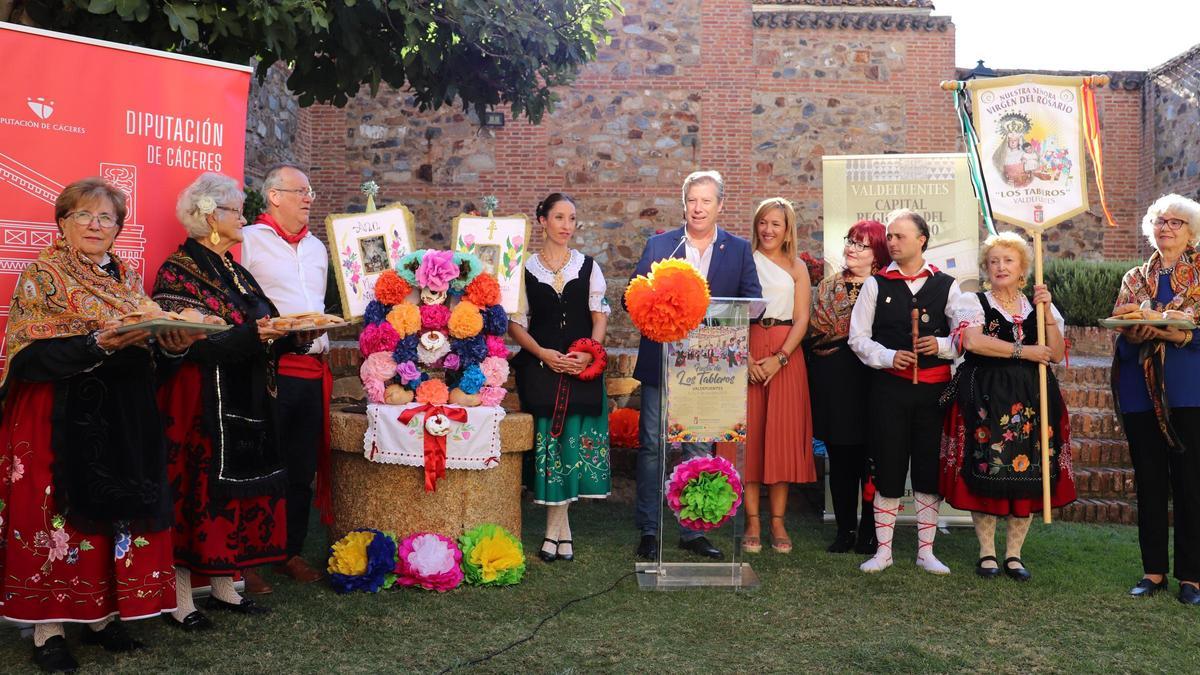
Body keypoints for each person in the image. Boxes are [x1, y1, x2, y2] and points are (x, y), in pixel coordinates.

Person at [0, 178, 203, 672]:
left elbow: (149, 353)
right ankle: (48, 629)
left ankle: (99, 616)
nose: (95, 225)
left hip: (124, 415)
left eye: (106, 218)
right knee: (58, 520)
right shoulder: (42, 275)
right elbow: (28, 358)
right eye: (83, 216)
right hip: (61, 415)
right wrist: (95, 346)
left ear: (118, 228)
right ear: (63, 223)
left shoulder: (128, 280)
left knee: (114, 516)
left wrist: (172, 347)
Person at [153, 172, 308, 627]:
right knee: (195, 495)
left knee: (233, 499)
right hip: (199, 403)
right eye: (234, 211)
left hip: (247, 397)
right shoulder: (176, 270)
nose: (242, 217)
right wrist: (253, 334)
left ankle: (225, 588)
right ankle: (180, 600)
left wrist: (294, 338)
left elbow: (265, 328)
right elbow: (189, 342)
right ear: (207, 216)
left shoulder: (237, 272)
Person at [630, 170, 761, 561]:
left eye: (707, 201)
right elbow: (633, 298)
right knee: (653, 446)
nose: (698, 208)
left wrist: (716, 315)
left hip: (709, 370)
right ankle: (650, 530)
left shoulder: (737, 250)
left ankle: (693, 530)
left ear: (721, 205)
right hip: (662, 362)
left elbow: (752, 303)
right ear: (683, 203)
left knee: (699, 448)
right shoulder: (660, 246)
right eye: (692, 200)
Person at [939, 232, 1076, 581]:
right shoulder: (974, 301)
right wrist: (1023, 352)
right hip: (986, 395)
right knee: (987, 468)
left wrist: (1045, 312)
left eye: (1008, 261)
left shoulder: (1038, 306)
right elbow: (973, 340)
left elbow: (1057, 353)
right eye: (994, 261)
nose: (1000, 267)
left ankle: (1014, 555)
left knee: (1027, 474)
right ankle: (987, 552)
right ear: (986, 267)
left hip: (1032, 398)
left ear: (1022, 268)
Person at [242, 163, 340, 588]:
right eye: (300, 191)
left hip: (313, 370)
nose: (308, 199)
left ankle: (289, 551)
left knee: (301, 470)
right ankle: (246, 558)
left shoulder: (318, 248)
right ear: (274, 196)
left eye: (310, 192)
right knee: (261, 464)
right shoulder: (247, 241)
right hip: (269, 369)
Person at [849, 208, 962, 575]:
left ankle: (925, 551)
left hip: (934, 394)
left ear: (921, 240)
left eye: (898, 236)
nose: (891, 242)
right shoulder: (875, 284)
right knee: (889, 467)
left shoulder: (947, 284)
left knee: (928, 470)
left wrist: (942, 347)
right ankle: (884, 551)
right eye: (890, 236)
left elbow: (963, 336)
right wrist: (887, 357)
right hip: (889, 393)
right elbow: (858, 338)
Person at [509, 193, 611, 563]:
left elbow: (599, 316)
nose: (567, 226)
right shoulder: (523, 269)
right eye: (559, 217)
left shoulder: (589, 267)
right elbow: (515, 323)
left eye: (572, 219)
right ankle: (559, 533)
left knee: (570, 443)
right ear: (542, 221)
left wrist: (587, 352)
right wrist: (542, 354)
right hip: (541, 367)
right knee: (549, 445)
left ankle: (555, 534)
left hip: (581, 368)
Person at [1112, 194, 1200, 604]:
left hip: (1189, 391)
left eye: (1176, 222)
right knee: (1148, 482)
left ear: (1191, 232)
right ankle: (1153, 573)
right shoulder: (1133, 277)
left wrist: (1177, 334)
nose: (1165, 227)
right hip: (1139, 392)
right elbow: (1122, 329)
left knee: (1190, 484)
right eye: (1160, 221)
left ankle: (1191, 578)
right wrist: (1138, 332)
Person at [806, 219, 891, 554]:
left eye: (862, 244)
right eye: (850, 241)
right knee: (841, 457)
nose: (852, 248)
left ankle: (871, 531)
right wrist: (856, 333)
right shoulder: (828, 286)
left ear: (877, 252)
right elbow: (819, 329)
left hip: (875, 380)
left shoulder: (887, 286)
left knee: (874, 458)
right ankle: (845, 530)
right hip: (836, 379)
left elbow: (888, 334)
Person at [740, 198, 814, 554]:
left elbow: (802, 319)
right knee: (752, 436)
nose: (768, 230)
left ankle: (778, 522)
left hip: (787, 350)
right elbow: (731, 310)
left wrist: (780, 357)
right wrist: (748, 357)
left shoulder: (798, 267)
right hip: (748, 345)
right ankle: (752, 520)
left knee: (781, 437)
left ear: (787, 231)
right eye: (763, 223)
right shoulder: (743, 261)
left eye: (776, 224)